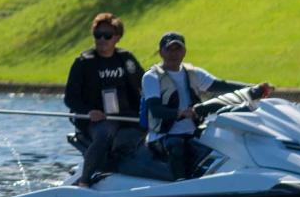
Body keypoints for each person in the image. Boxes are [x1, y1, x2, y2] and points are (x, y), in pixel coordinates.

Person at [141, 32, 274, 180]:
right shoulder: (151, 77)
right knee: (176, 145)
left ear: (184, 52)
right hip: (163, 135)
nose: (174, 53)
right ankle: (180, 184)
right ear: (161, 52)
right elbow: (156, 110)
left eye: (177, 49)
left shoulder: (193, 73)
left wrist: (256, 89)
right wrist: (181, 113)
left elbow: (221, 85)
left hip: (193, 131)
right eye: (169, 49)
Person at [63, 12, 145, 187]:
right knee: (104, 133)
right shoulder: (84, 62)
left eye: (107, 35)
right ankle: (84, 180)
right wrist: (88, 112)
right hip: (97, 120)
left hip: (126, 117)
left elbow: (145, 85)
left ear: (117, 37)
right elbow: (70, 98)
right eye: (97, 35)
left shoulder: (126, 59)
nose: (102, 39)